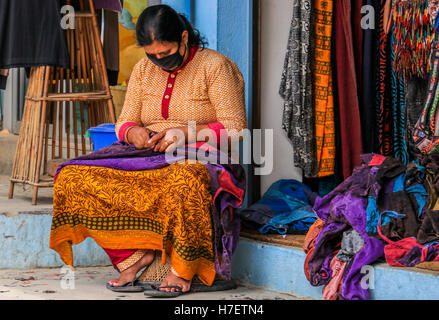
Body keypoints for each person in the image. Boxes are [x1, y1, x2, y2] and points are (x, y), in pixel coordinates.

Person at [49, 4, 247, 296]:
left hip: (199, 157)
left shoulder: (215, 66)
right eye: (152, 55)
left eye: (165, 54)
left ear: (183, 38)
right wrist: (133, 132)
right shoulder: (143, 69)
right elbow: (124, 121)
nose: (158, 61)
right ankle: (133, 255)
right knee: (72, 177)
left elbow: (236, 128)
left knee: (184, 180)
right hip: (145, 155)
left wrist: (185, 133)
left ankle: (183, 268)